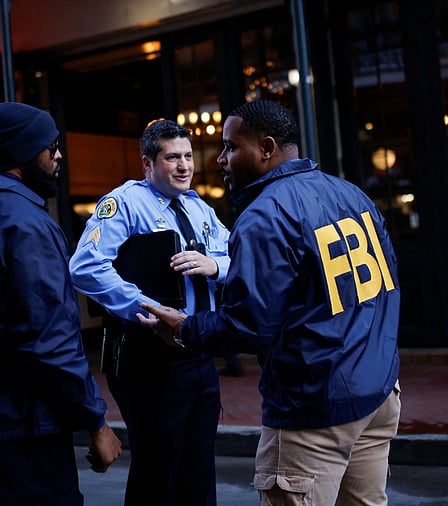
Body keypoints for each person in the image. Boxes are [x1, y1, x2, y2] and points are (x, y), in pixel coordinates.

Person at [138, 100, 402, 505]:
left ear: (265, 148)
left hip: (315, 406)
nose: (221, 159)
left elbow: (249, 325)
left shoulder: (265, 215)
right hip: (379, 390)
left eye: (230, 147)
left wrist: (183, 327)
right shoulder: (350, 193)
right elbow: (388, 286)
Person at [0, 102, 122, 506]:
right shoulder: (25, 224)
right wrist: (96, 422)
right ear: (23, 153)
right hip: (21, 431)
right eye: (51, 148)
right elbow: (49, 339)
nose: (58, 155)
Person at [69, 119, 231, 505]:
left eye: (188, 156)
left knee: (198, 467)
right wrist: (145, 305)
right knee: (159, 470)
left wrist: (215, 265)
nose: (184, 166)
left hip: (198, 348)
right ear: (147, 163)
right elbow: (85, 266)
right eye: (172, 157)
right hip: (150, 356)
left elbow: (235, 254)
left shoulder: (199, 207)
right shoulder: (124, 202)